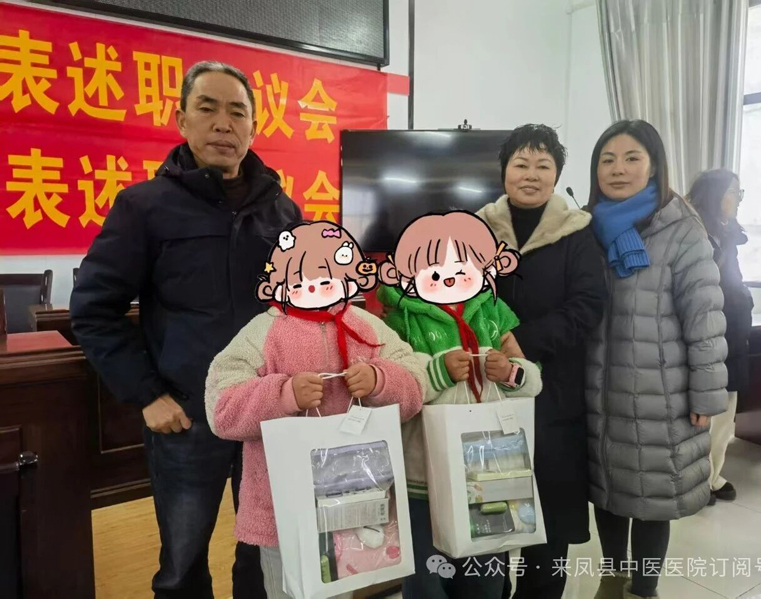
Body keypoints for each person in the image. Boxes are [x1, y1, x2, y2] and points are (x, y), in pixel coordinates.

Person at [70, 61, 302, 599]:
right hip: (185, 417)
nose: (223, 123)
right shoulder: (145, 207)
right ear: (182, 120)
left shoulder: (282, 211)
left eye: (237, 112)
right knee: (182, 564)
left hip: (268, 414)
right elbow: (94, 309)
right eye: (208, 108)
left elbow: (303, 306)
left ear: (253, 128)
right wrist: (147, 395)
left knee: (267, 555)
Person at [205, 220, 425, 599]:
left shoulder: (366, 327)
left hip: (355, 500)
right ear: (278, 283)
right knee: (286, 589)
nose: (315, 290)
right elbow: (221, 408)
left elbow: (415, 384)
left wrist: (380, 380)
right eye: (302, 282)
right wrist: (282, 394)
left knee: (341, 586)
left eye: (327, 281)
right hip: (283, 506)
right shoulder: (262, 333)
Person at [585, 120, 728, 599]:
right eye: (607, 159)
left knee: (652, 498)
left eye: (632, 158)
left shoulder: (681, 229)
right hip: (599, 390)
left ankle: (644, 590)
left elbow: (705, 319)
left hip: (660, 395)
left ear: (653, 166)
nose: (618, 169)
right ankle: (612, 579)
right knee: (608, 491)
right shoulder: (585, 227)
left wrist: (705, 396)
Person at [377, 211, 543, 599]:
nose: (449, 280)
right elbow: (392, 388)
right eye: (434, 273)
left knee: (485, 574)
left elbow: (533, 381)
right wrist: (437, 372)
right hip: (422, 475)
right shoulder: (397, 320)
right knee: (426, 577)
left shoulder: (493, 313)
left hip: (490, 469)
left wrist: (512, 372)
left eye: (461, 269)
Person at [476, 124, 607, 598]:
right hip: (488, 391)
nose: (530, 175)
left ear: (556, 174)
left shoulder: (576, 232)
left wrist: (527, 340)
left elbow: (589, 303)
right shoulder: (476, 229)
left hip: (554, 396)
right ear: (504, 171)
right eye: (521, 164)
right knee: (486, 517)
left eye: (543, 165)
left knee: (548, 527)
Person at [688, 169, 752, 506]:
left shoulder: (728, 235)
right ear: (714, 195)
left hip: (733, 337)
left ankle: (713, 476)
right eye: (733, 192)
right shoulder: (695, 234)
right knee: (705, 413)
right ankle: (698, 479)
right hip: (709, 337)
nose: (737, 200)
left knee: (726, 413)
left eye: (739, 193)